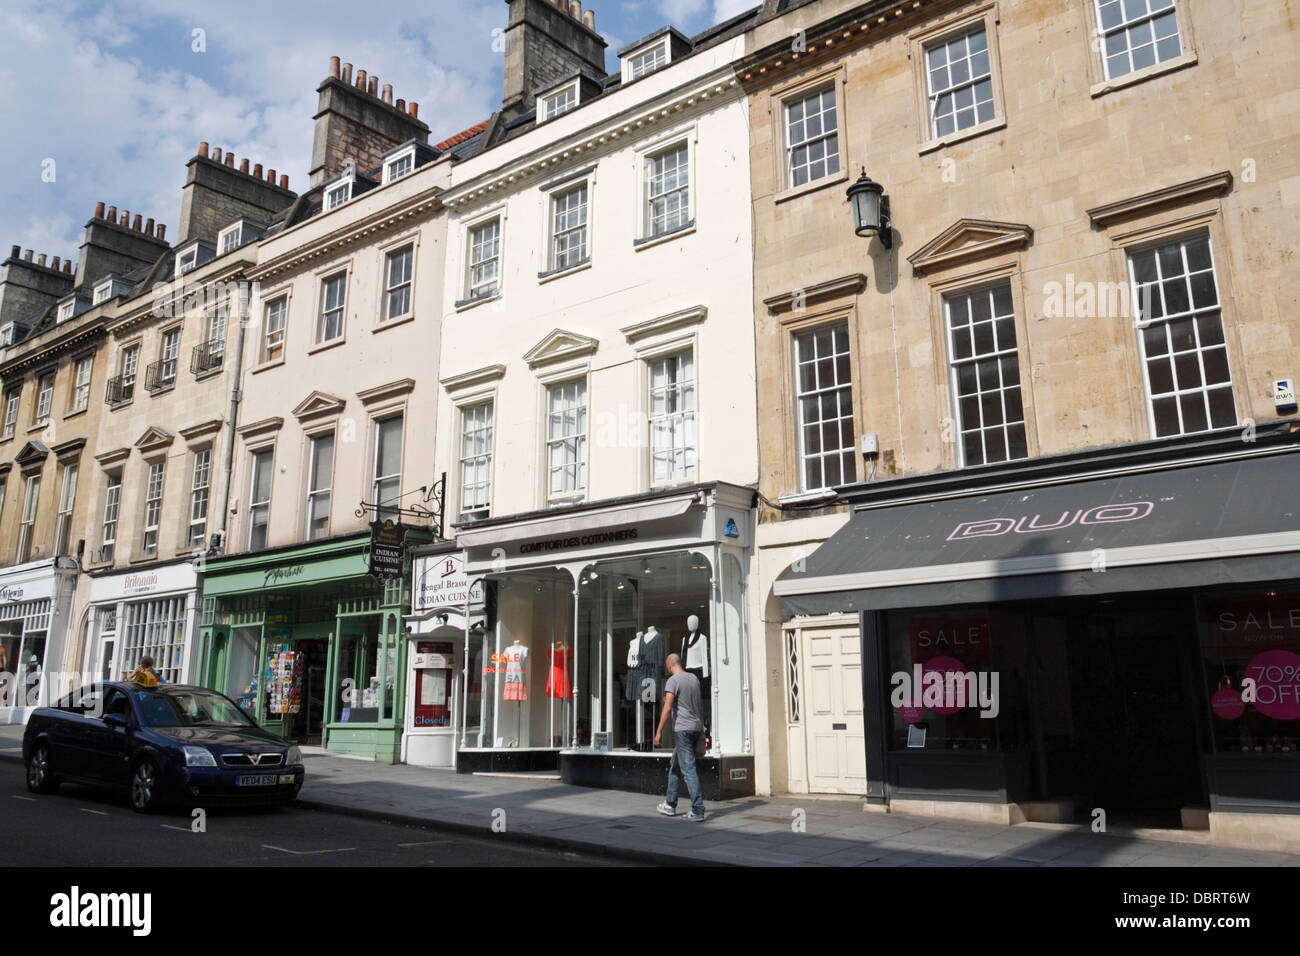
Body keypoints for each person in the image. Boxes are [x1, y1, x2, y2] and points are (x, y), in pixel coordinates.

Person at [654, 652, 706, 821]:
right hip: (696, 727)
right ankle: (670, 804)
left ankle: (698, 809)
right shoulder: (693, 678)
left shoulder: (673, 680)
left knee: (688, 769)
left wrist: (659, 731)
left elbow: (668, 708)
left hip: (683, 729)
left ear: (670, 667)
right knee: (676, 765)